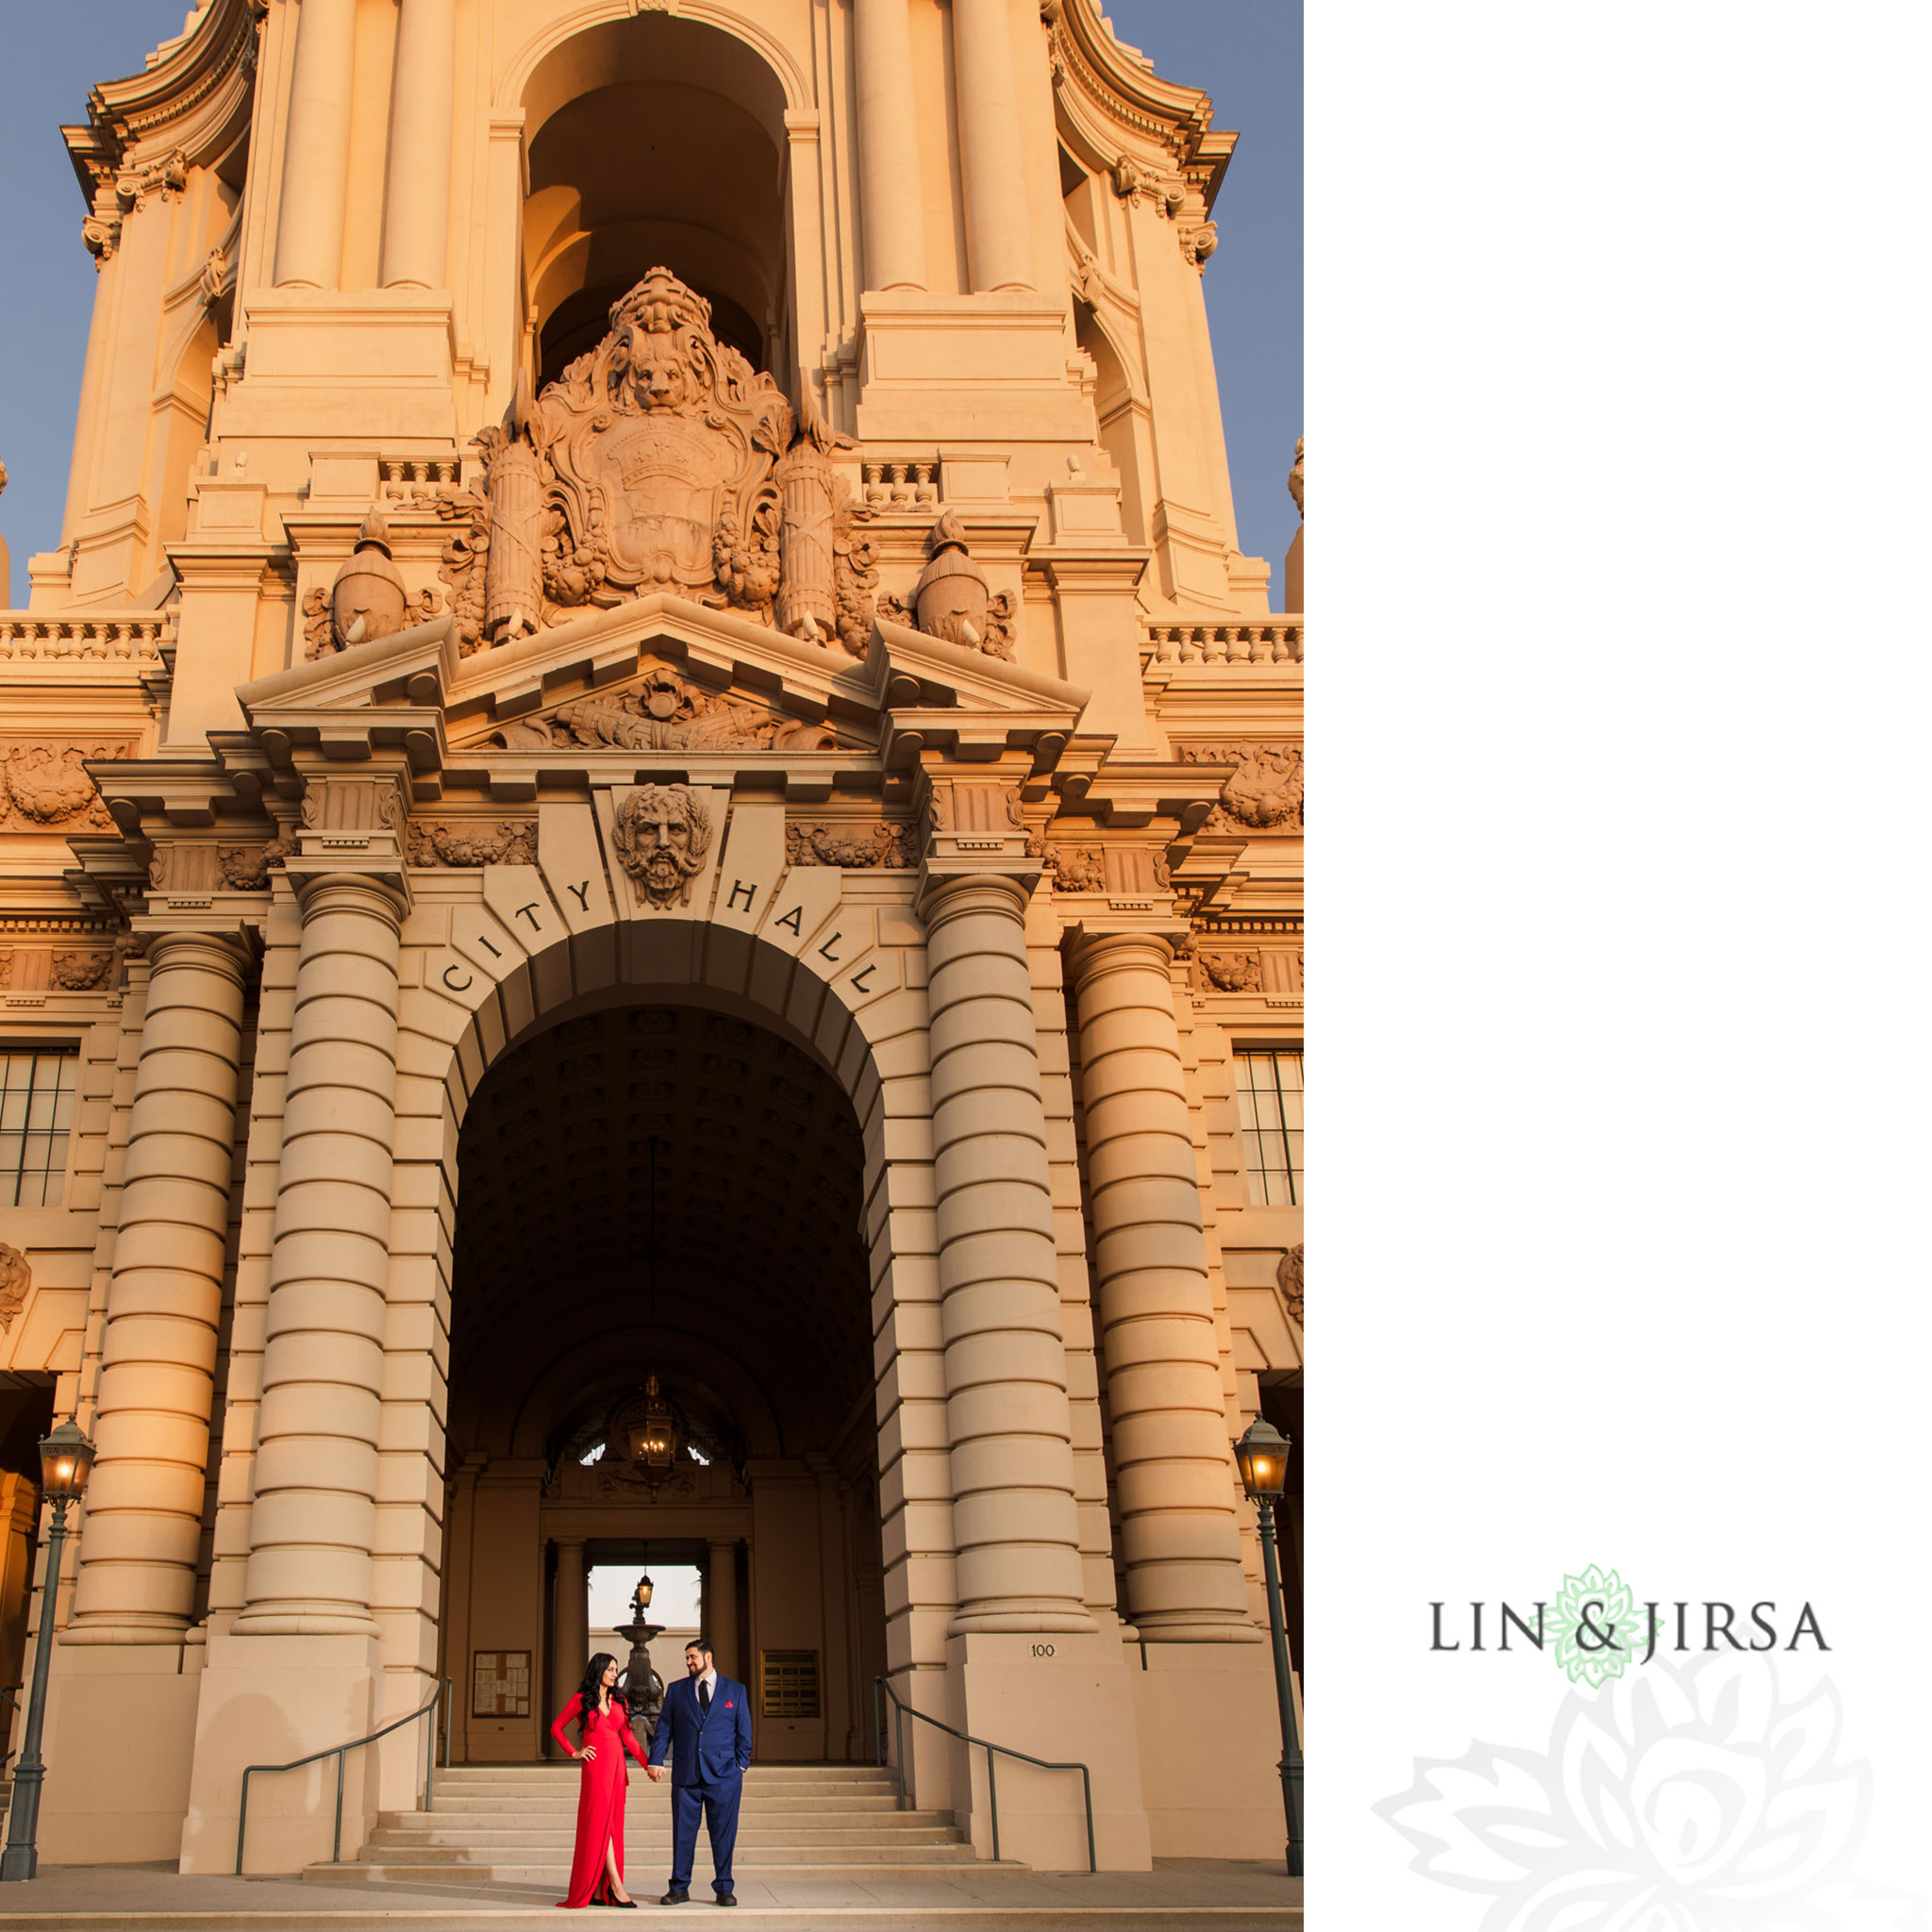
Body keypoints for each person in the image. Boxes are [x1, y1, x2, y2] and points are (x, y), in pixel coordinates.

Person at [645, 1637, 752, 1907]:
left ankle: (724, 1888)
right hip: (686, 1775)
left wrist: (739, 1766)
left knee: (724, 1834)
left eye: (692, 1657)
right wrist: (656, 1760)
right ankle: (679, 1887)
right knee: (682, 1834)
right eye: (687, 1658)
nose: (688, 1662)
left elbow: (744, 1733)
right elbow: (663, 1730)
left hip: (724, 1776)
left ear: (708, 1657)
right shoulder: (676, 1690)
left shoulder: (735, 1691)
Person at [549, 1652, 648, 1908]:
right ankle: (615, 1886)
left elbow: (629, 1739)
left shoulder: (619, 1702)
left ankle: (598, 1891)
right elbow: (556, 1728)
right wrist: (574, 1752)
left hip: (616, 1768)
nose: (615, 1674)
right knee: (598, 1824)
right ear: (599, 1671)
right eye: (611, 1669)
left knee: (612, 1825)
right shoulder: (582, 1699)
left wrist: (649, 1766)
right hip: (595, 1768)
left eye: (616, 1669)